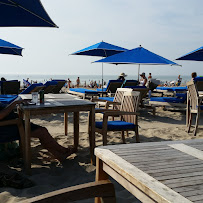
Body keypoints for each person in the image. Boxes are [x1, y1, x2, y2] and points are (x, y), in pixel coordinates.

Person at [0, 100, 75, 162]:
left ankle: (60, 154)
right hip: (8, 128)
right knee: (42, 131)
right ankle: (62, 151)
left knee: (42, 131)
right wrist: (14, 103)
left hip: (13, 124)